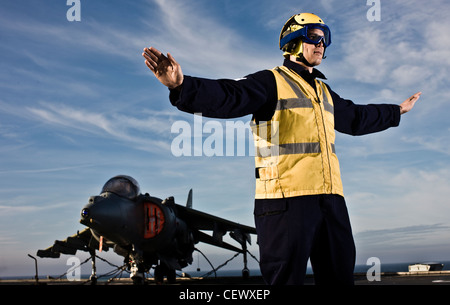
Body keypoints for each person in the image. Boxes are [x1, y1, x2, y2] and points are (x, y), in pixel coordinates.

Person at [142, 13, 421, 285]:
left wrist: (396, 111)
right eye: (314, 37)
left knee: (340, 277)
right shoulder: (270, 81)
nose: (321, 44)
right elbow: (229, 95)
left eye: (325, 39)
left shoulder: (323, 92)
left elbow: (357, 117)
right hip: (285, 203)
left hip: (331, 201)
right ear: (293, 41)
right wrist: (182, 85)